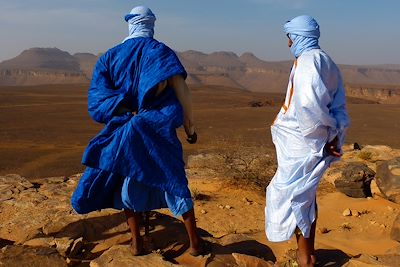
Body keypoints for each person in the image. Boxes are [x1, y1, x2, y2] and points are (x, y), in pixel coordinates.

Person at [71, 6, 205, 256]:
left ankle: (136, 243)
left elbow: (98, 97)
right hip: (157, 128)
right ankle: (195, 243)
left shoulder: (110, 57)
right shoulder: (161, 53)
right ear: (151, 25)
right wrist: (190, 127)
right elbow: (182, 91)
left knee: (128, 179)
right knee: (174, 180)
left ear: (130, 25)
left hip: (127, 129)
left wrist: (124, 110)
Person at [265, 15, 350, 266]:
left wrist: (320, 139)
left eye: (290, 37)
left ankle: (304, 257)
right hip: (309, 139)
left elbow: (309, 107)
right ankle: (307, 252)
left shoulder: (308, 62)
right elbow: (338, 104)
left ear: (299, 36)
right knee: (306, 195)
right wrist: (334, 135)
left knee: (295, 198)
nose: (289, 44)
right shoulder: (326, 60)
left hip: (302, 142)